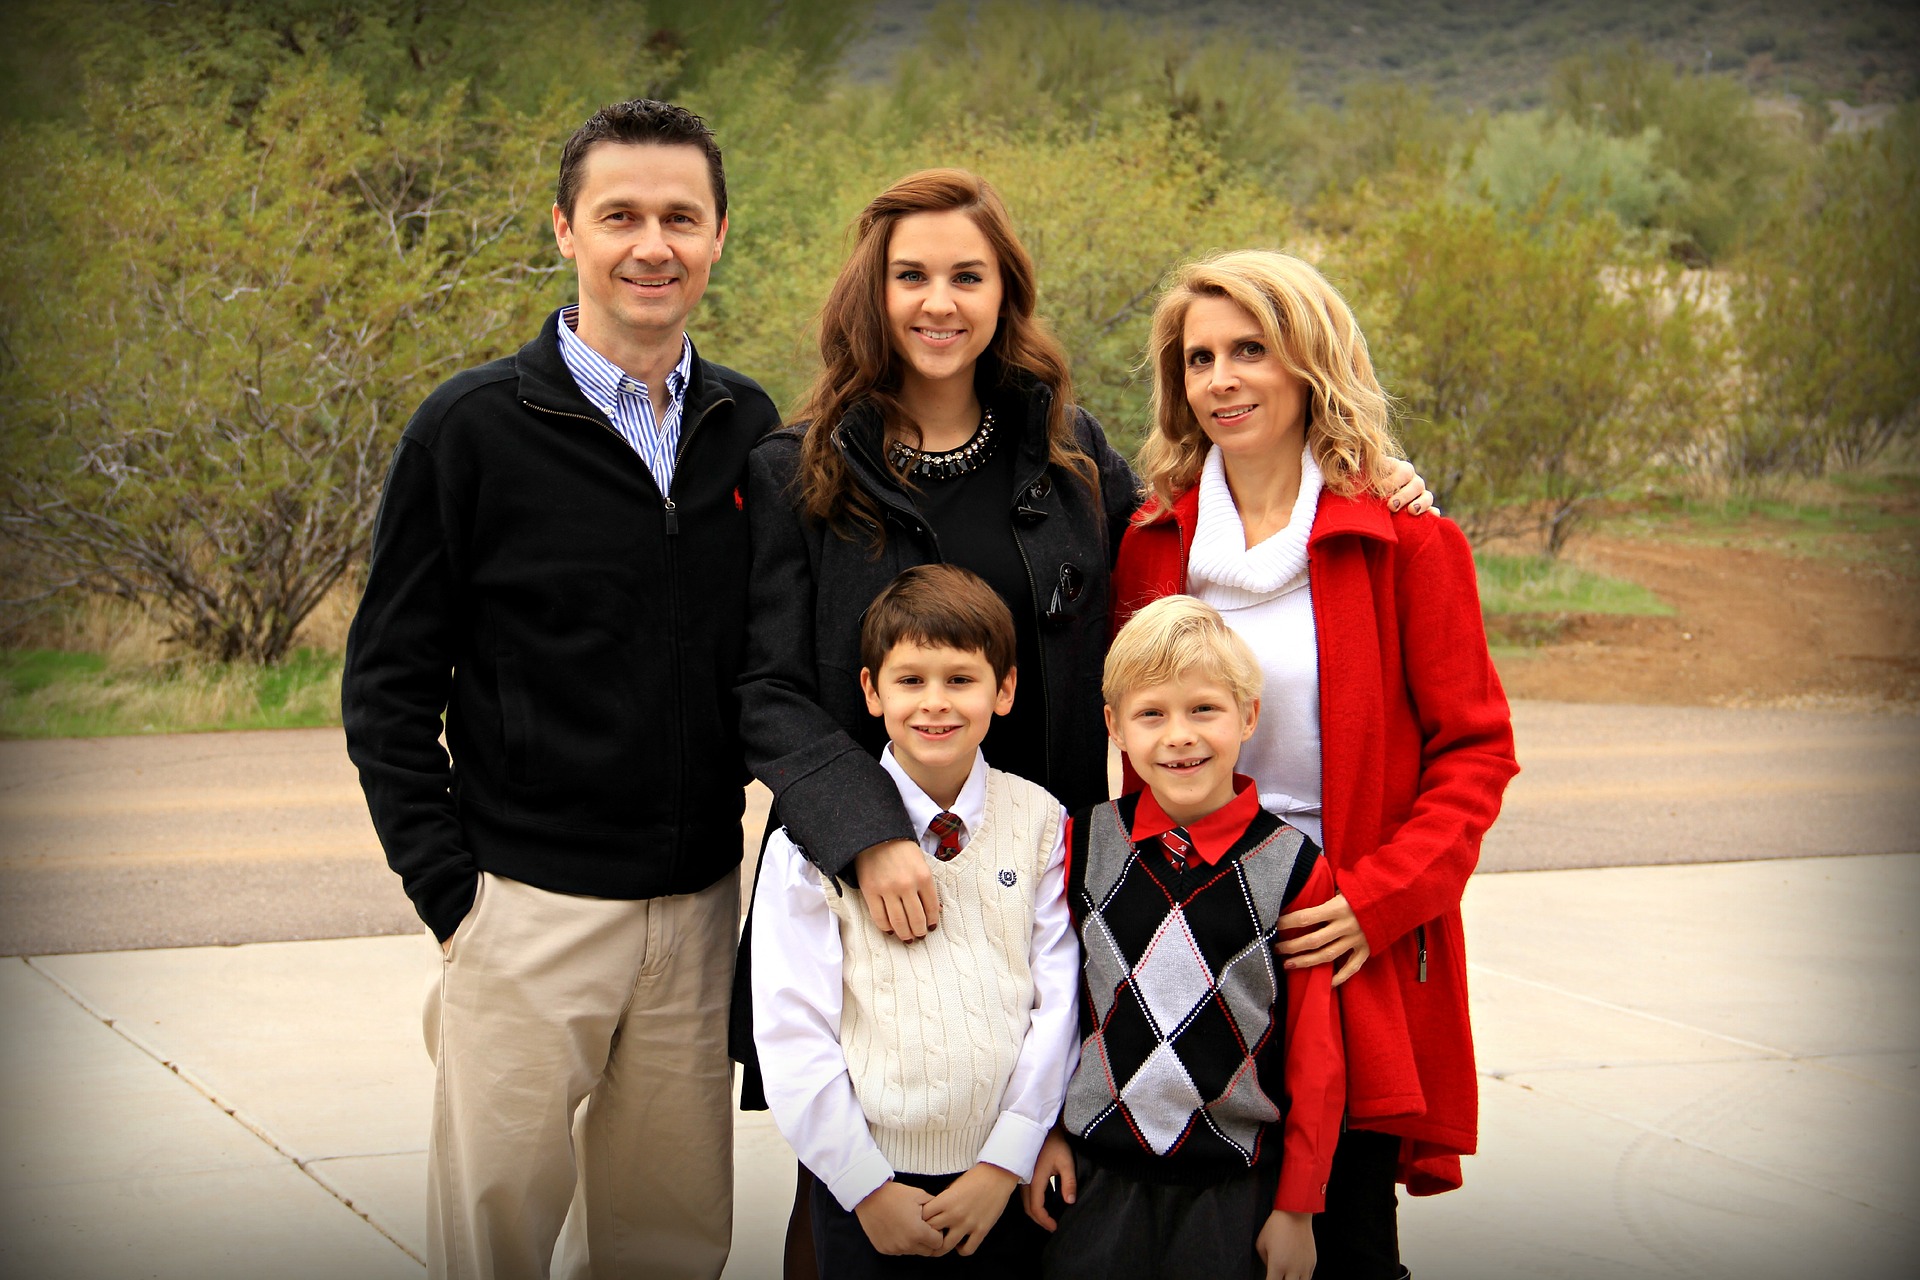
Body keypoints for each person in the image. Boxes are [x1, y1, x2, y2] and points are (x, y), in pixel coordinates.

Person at [732, 169, 1429, 1276]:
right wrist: (867, 834)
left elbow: (1182, 529)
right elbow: (763, 687)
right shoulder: (796, 468)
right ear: (872, 293)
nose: (939, 302)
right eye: (911, 275)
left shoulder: (1064, 455)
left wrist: (1353, 471)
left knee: (1039, 1211)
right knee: (856, 1211)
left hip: (1043, 879)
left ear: (1007, 294)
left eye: (969, 275)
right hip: (869, 875)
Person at [341, 99, 778, 1280]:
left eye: (680, 217)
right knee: (494, 1250)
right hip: (524, 913)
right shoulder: (470, 430)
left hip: (694, 910)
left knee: (669, 1249)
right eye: (620, 214)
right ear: (564, 230)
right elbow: (386, 684)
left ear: (720, 234)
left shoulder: (751, 427)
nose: (653, 244)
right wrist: (455, 899)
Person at [1108, 249, 1520, 1279]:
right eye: (1200, 357)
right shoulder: (1151, 542)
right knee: (1195, 1232)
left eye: (1252, 349)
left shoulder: (1407, 540)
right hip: (1182, 928)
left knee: (1342, 1237)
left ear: (1311, 366)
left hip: (1336, 934)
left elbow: (1477, 752)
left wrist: (1380, 898)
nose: (1223, 378)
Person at [752, 564, 1080, 1277]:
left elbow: (1056, 999)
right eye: (910, 680)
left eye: (961, 679)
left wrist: (1006, 1160)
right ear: (870, 690)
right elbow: (791, 1025)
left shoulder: (1041, 823)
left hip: (1002, 1182)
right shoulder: (810, 844)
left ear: (1006, 689)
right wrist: (864, 1186)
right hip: (869, 1184)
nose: (935, 703)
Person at [1023, 594, 1344, 1280]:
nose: (1179, 735)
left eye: (1204, 709)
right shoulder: (1082, 844)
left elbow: (1316, 1052)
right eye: (1151, 714)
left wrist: (1298, 1207)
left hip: (1229, 1187)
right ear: (1115, 727)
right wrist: (1044, 1132)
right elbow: (1056, 1008)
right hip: (1095, 1173)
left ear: (1249, 716)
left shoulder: (1293, 867)